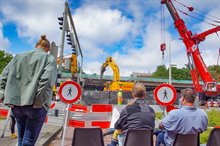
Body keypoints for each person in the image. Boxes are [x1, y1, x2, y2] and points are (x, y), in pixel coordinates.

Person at [0, 35, 57, 146]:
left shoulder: (18, 56)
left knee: (21, 139)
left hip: (16, 105)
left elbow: (3, 76)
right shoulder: (49, 59)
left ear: (36, 45)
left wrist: (2, 95)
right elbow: (46, 81)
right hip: (35, 105)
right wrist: (39, 102)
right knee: (29, 141)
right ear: (48, 49)